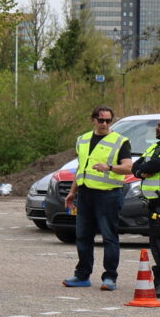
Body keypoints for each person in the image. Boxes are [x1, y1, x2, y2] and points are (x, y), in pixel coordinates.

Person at [110, 114, 160, 298]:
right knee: (156, 244)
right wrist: (142, 170)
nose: (157, 128)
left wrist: (146, 169)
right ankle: (159, 281)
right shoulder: (156, 147)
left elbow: (154, 165)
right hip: (155, 204)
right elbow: (137, 166)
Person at [64, 105, 132, 290]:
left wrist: (109, 168)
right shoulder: (83, 139)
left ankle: (110, 277)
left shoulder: (120, 141)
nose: (104, 124)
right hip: (86, 194)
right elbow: (81, 168)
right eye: (101, 120)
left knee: (109, 237)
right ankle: (82, 275)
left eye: (108, 120)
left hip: (108, 194)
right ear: (93, 119)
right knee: (83, 236)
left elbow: (128, 167)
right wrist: (73, 191)